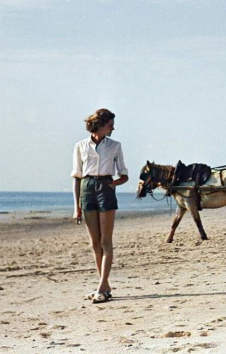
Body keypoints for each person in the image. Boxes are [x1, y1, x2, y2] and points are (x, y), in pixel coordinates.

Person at [71, 108, 129, 304]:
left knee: (106, 241)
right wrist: (76, 206)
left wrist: (113, 184)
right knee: (94, 243)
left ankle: (102, 287)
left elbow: (124, 174)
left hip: (105, 187)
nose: (113, 128)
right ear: (101, 125)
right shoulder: (80, 146)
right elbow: (77, 178)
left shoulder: (115, 146)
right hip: (87, 188)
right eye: (110, 124)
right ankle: (104, 286)